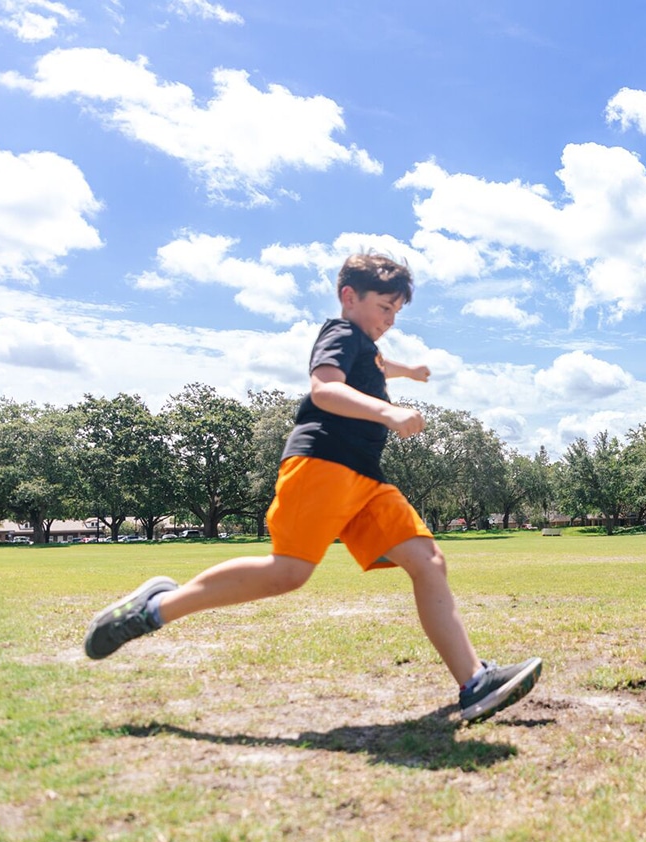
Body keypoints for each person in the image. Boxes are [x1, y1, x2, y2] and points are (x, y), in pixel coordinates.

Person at [83, 254, 542, 723]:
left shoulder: (366, 347)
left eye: (398, 311)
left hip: (366, 477)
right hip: (322, 463)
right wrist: (389, 412)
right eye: (385, 307)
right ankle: (156, 609)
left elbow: (380, 365)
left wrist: (410, 373)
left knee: (427, 561)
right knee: (288, 573)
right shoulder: (340, 334)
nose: (391, 318)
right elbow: (325, 389)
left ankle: (473, 682)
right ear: (349, 296)